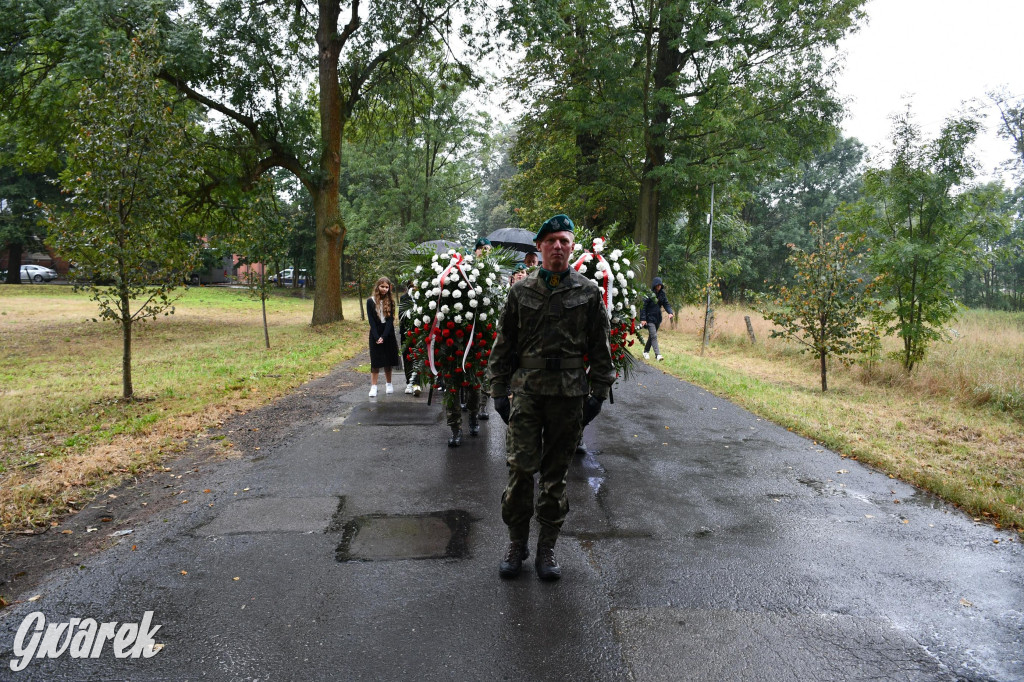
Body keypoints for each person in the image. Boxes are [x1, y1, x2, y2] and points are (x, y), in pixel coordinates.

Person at [488, 214, 614, 581]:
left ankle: (547, 548)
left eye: (564, 241)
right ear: (539, 248)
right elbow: (504, 344)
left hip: (569, 397)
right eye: (551, 241)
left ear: (571, 247)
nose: (558, 246)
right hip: (527, 396)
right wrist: (498, 390)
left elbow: (600, 349)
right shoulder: (520, 291)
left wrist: (598, 394)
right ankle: (516, 543)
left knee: (555, 477)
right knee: (521, 471)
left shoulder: (588, 292)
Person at [367, 276, 401, 397]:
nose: (384, 289)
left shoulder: (391, 301)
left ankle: (389, 384)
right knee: (375, 361)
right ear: (378, 286)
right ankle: (374, 386)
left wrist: (384, 336)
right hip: (375, 333)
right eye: (382, 286)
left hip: (388, 334)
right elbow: (371, 321)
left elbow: (390, 321)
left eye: (386, 287)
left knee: (388, 360)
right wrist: (377, 337)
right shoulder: (370, 301)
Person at [639, 276, 674, 361]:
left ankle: (646, 351)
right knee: (654, 336)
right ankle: (658, 355)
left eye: (660, 285)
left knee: (652, 336)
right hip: (649, 318)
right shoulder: (649, 293)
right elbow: (643, 306)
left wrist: (670, 312)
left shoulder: (662, 294)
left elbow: (666, 304)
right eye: (658, 285)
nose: (659, 286)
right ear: (654, 285)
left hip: (657, 318)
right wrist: (643, 319)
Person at [399, 281, 421, 396]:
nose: (414, 287)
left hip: (420, 332)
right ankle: (409, 382)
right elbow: (401, 316)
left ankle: (417, 383)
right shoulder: (404, 298)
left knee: (418, 357)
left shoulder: (423, 297)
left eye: (416, 285)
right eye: (412, 286)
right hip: (407, 332)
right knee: (407, 357)